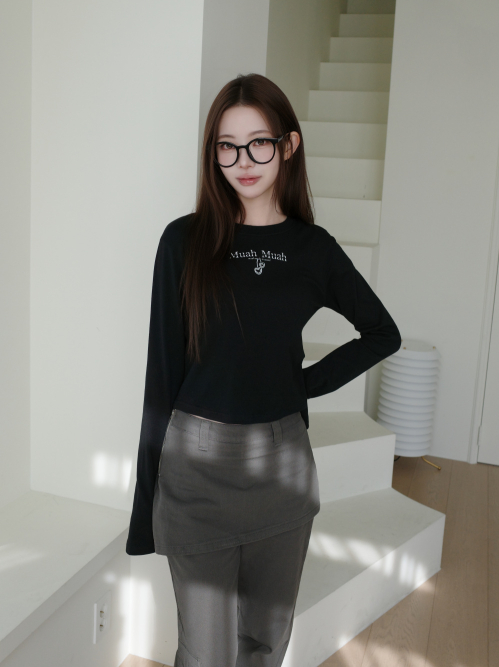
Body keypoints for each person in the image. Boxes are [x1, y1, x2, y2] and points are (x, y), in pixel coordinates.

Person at [125, 73, 402, 667]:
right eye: (227, 146)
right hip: (196, 469)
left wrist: (302, 384)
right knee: (205, 653)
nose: (243, 161)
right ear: (213, 152)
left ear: (289, 145)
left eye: (259, 143)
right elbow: (160, 376)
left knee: (263, 647)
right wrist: (145, 505)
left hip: (282, 471)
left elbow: (383, 333)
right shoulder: (183, 241)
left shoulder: (313, 249)